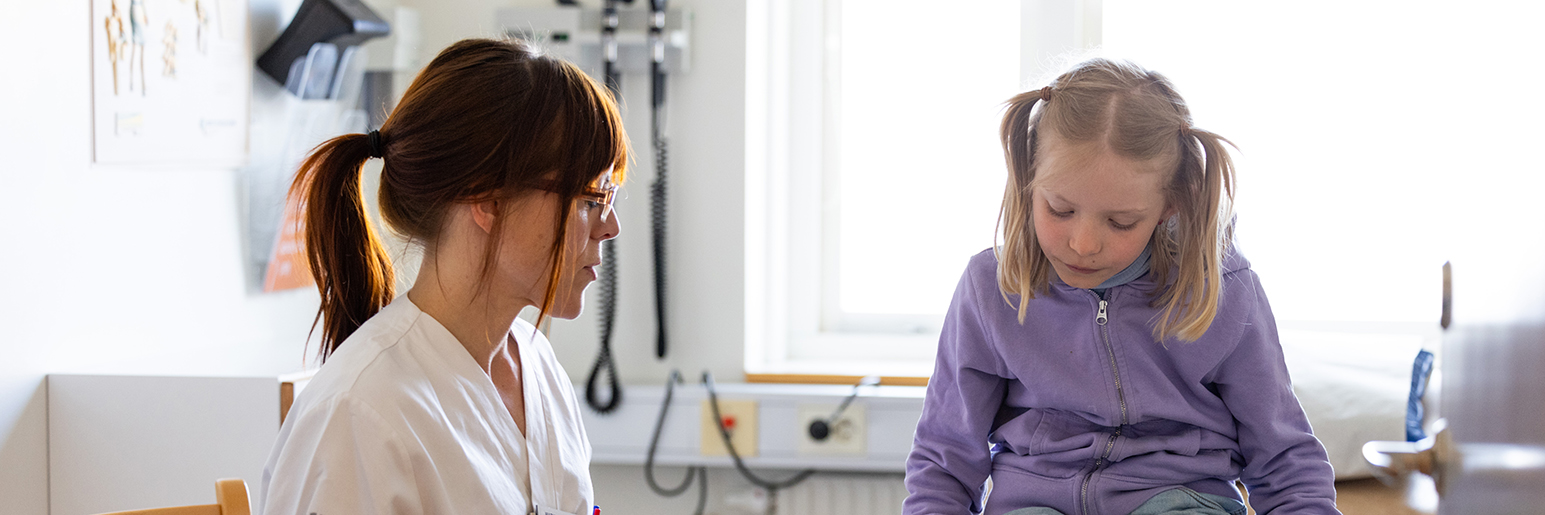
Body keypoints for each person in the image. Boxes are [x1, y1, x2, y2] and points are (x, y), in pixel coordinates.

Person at [903, 59, 1338, 515]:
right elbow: (944, 456)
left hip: (1179, 500)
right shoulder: (990, 288)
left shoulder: (1223, 289)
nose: (1083, 244)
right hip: (1033, 500)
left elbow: (1285, 457)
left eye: (1121, 222)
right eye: (1060, 209)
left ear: (1171, 203)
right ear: (1030, 180)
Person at [258, 38, 627, 515]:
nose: (610, 226)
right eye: (589, 200)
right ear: (488, 201)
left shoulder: (537, 366)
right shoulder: (360, 414)